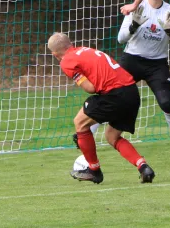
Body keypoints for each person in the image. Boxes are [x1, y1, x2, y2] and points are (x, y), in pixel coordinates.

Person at [48, 32, 156, 184]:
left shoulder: (66, 62)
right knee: (112, 137)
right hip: (132, 92)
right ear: (70, 44)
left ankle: (94, 171)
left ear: (54, 54)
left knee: (80, 122)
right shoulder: (87, 50)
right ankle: (143, 166)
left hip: (114, 94)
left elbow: (91, 88)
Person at [115, 0, 170, 144]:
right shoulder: (136, 8)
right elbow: (121, 39)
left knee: (166, 102)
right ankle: (86, 132)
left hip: (157, 64)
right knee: (112, 95)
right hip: (132, 60)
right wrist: (133, 26)